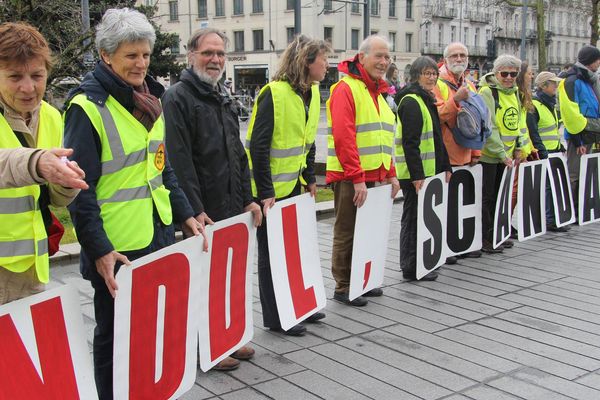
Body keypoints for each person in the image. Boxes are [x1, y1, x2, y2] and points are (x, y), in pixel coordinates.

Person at [63, 9, 203, 399]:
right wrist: (99, 250)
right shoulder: (87, 107)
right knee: (112, 335)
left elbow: (162, 168)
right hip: (116, 247)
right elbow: (79, 190)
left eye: (144, 54)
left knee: (149, 328)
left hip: (157, 235)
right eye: (131, 56)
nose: (141, 63)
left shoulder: (151, 100)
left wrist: (185, 213)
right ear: (107, 56)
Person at [162, 28, 259, 371]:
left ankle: (227, 336)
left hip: (232, 203)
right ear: (191, 55)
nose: (215, 60)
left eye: (220, 53)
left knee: (227, 276)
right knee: (203, 280)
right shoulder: (177, 97)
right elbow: (178, 159)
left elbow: (237, 150)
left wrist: (248, 198)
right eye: (208, 53)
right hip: (203, 209)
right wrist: (193, 210)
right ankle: (207, 347)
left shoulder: (223, 96)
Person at [245, 34, 330, 335]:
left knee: (293, 250)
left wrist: (309, 178)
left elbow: (307, 142)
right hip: (270, 193)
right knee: (271, 256)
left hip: (294, 186)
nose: (327, 65)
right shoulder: (274, 93)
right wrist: (265, 192)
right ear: (307, 61)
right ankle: (278, 318)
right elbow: (258, 146)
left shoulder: (314, 92)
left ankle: (298, 305)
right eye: (323, 59)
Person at [0, 22, 82, 304]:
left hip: (34, 265)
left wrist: (67, 182)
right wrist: (37, 163)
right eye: (14, 77)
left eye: (37, 75)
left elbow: (54, 200)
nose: (28, 87)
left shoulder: (51, 116)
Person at [326, 35, 400, 306]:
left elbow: (384, 136)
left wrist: (390, 172)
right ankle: (344, 286)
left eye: (387, 57)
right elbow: (344, 136)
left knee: (367, 230)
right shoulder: (347, 88)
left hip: (374, 174)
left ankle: (363, 280)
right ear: (362, 57)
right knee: (347, 230)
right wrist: (357, 178)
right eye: (379, 56)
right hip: (351, 178)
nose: (384, 62)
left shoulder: (379, 91)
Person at [396, 57, 452, 281]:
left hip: (429, 171)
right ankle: (410, 267)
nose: (432, 77)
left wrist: (446, 165)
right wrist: (417, 175)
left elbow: (438, 138)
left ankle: (422, 261)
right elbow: (410, 142)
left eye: (434, 74)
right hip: (415, 174)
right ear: (416, 76)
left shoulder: (426, 99)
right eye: (427, 73)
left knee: (425, 219)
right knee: (412, 220)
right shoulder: (411, 101)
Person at [432, 42, 482, 261]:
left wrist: (476, 153)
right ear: (446, 58)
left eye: (463, 55)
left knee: (461, 202)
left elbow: (477, 119)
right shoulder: (438, 82)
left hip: (465, 152)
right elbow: (439, 114)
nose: (459, 58)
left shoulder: (469, 84)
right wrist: (456, 99)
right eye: (455, 55)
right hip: (446, 153)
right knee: (445, 204)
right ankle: (444, 247)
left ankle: (458, 243)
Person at [478, 55, 526, 253]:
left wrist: (520, 146)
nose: (508, 78)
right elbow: (490, 126)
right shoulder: (487, 92)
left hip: (506, 156)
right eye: (504, 73)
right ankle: (486, 238)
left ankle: (498, 233)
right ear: (496, 73)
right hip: (490, 155)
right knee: (488, 197)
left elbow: (519, 123)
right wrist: (500, 153)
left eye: (513, 74)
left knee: (501, 196)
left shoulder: (515, 93)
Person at [558, 45, 600, 213]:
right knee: (574, 174)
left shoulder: (587, 79)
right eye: (597, 59)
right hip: (580, 135)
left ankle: (582, 207)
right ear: (590, 60)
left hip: (590, 133)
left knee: (586, 171)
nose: (599, 63)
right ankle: (570, 210)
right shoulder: (573, 81)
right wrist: (577, 140)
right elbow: (570, 113)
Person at [527, 71, 571, 232]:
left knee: (552, 187)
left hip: (553, 152)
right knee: (547, 187)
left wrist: (559, 146)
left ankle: (552, 218)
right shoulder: (535, 105)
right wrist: (542, 152)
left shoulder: (550, 104)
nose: (557, 87)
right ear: (543, 86)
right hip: (544, 153)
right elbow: (534, 132)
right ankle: (549, 220)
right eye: (554, 84)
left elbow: (552, 129)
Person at [0, 147, 87, 190]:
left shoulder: (52, 116)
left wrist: (65, 182)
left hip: (38, 224)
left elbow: (56, 202)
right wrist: (34, 163)